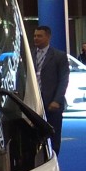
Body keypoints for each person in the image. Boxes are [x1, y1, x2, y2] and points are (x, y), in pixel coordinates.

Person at [32, 25, 68, 155]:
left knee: (53, 136)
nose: (36, 38)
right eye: (35, 36)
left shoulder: (59, 56)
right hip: (33, 103)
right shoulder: (29, 55)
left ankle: (53, 161)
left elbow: (64, 80)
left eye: (39, 36)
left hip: (52, 103)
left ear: (48, 37)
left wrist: (57, 100)